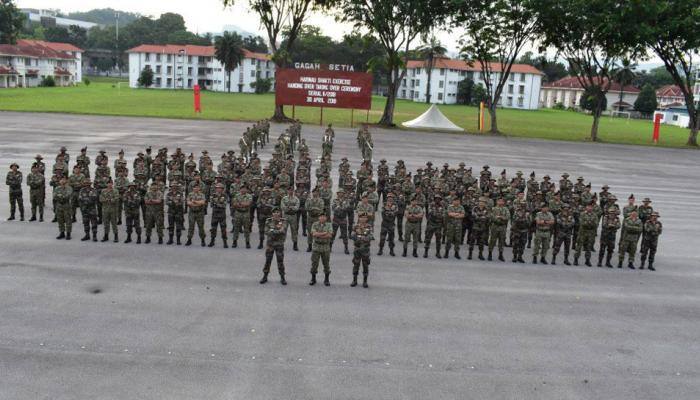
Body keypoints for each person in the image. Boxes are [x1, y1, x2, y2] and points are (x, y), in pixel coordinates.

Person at [260, 208, 288, 285]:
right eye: (274, 212)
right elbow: (266, 232)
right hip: (270, 244)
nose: (276, 214)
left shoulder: (284, 221)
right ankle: (265, 276)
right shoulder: (268, 221)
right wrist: (277, 230)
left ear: (280, 213)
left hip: (279, 244)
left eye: (277, 212)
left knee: (280, 261)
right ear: (272, 213)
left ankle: (282, 277)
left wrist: (272, 230)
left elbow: (283, 231)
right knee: (268, 261)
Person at [310, 213, 334, 286]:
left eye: (324, 217)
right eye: (321, 216)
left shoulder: (329, 225)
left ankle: (326, 279)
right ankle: (313, 278)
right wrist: (324, 233)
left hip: (325, 247)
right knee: (314, 263)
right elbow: (313, 234)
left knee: (326, 264)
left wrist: (319, 234)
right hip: (316, 246)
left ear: (326, 218)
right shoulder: (315, 224)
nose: (322, 218)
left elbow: (330, 235)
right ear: (318, 217)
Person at [350, 215, 374, 288]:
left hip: (365, 249)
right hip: (357, 248)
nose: (363, 219)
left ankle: (365, 281)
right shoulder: (356, 226)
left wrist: (360, 238)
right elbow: (352, 235)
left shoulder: (369, 226)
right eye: (361, 217)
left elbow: (371, 236)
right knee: (356, 264)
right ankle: (354, 280)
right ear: (359, 218)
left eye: (364, 217)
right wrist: (362, 238)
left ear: (367, 219)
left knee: (365, 265)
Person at [424, 194, 445, 258]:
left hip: (438, 225)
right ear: (434, 199)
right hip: (431, 224)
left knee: (438, 240)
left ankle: (438, 253)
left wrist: (439, 215)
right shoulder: (431, 205)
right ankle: (426, 252)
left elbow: (443, 214)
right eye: (436, 198)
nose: (437, 200)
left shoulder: (442, 206)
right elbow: (431, 213)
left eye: (439, 199)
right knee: (428, 239)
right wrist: (438, 214)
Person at [331, 189, 351, 254]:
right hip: (336, 219)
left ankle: (346, 248)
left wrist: (339, 206)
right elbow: (333, 208)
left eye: (342, 193)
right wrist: (341, 207)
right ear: (337, 194)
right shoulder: (335, 200)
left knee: (344, 235)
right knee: (333, 234)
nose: (341, 194)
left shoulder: (346, 201)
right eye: (339, 193)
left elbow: (347, 208)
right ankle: (330, 247)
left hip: (343, 219)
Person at [208, 183, 228, 248]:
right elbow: (211, 204)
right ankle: (212, 241)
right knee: (213, 228)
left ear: (222, 189)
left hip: (222, 214)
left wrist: (216, 203)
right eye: (217, 188)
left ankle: (225, 242)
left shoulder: (225, 195)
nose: (218, 189)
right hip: (215, 214)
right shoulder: (213, 195)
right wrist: (218, 203)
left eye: (220, 188)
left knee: (223, 228)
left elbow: (224, 205)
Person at [280, 186, 300, 251]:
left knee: (294, 230)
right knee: (284, 230)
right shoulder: (284, 198)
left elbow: (297, 207)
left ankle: (295, 244)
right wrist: (291, 207)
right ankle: (282, 244)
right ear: (287, 191)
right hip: (285, 216)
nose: (290, 191)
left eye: (291, 190)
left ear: (293, 191)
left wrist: (290, 207)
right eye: (289, 190)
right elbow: (282, 207)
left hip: (293, 216)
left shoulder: (296, 199)